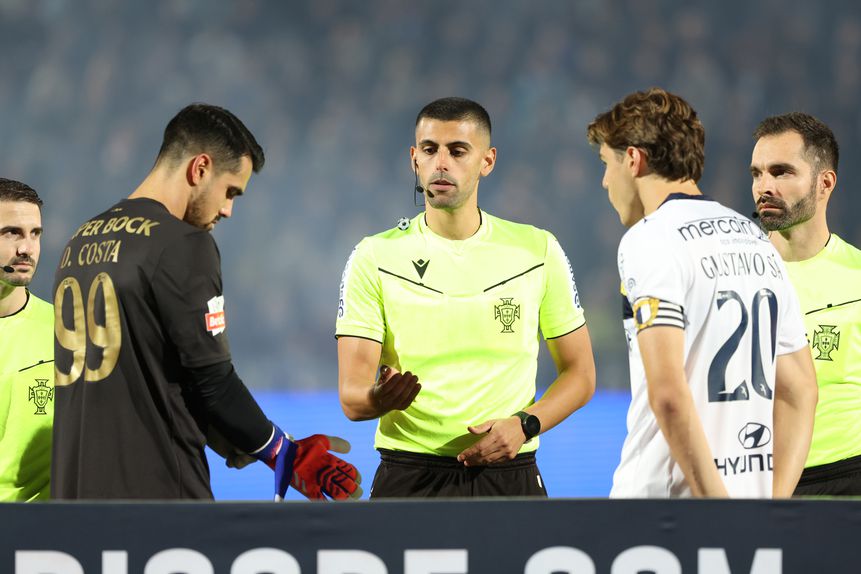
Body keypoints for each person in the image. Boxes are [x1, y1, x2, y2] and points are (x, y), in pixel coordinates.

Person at [52, 103, 361, 500]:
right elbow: (213, 382)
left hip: (74, 497)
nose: (229, 210)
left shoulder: (78, 242)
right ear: (200, 168)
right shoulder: (182, 244)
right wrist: (283, 451)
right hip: (157, 496)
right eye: (230, 191)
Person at [336, 96, 596, 498]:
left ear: (487, 161)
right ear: (414, 160)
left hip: (510, 472)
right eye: (429, 150)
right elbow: (352, 399)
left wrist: (526, 424)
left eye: (458, 151)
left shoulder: (537, 250)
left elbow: (581, 374)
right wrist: (379, 398)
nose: (442, 162)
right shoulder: (375, 256)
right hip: (410, 477)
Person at [586, 88, 818, 498]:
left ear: (634, 160)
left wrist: (719, 514)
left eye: (607, 163)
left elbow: (669, 395)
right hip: (748, 503)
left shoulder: (650, 239)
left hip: (664, 510)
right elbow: (800, 389)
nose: (605, 181)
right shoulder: (756, 238)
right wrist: (772, 506)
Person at [750, 112, 861, 495]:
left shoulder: (858, 278)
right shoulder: (732, 277)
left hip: (847, 480)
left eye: (781, 172)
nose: (765, 186)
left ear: (824, 183)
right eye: (757, 173)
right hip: (754, 477)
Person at [0, 179, 53, 501]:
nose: (26, 248)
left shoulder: (68, 333)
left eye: (35, 234)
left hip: (37, 537)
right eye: (11, 233)